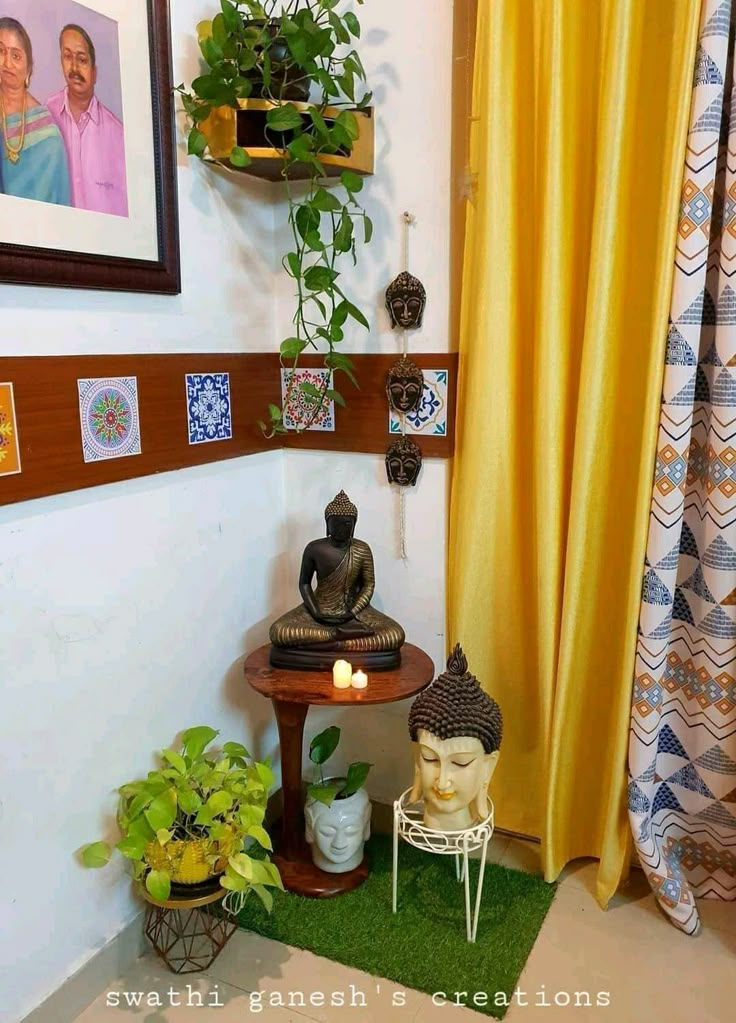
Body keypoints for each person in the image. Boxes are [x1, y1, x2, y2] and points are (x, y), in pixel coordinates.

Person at [47, 23, 128, 217]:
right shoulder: (45, 117)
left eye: (82, 60)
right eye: (68, 57)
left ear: (94, 71)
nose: (74, 67)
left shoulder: (118, 135)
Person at [0, 17, 70, 206]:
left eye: (16, 56)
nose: (7, 62)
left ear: (28, 68)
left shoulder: (48, 134)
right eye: (1, 51)